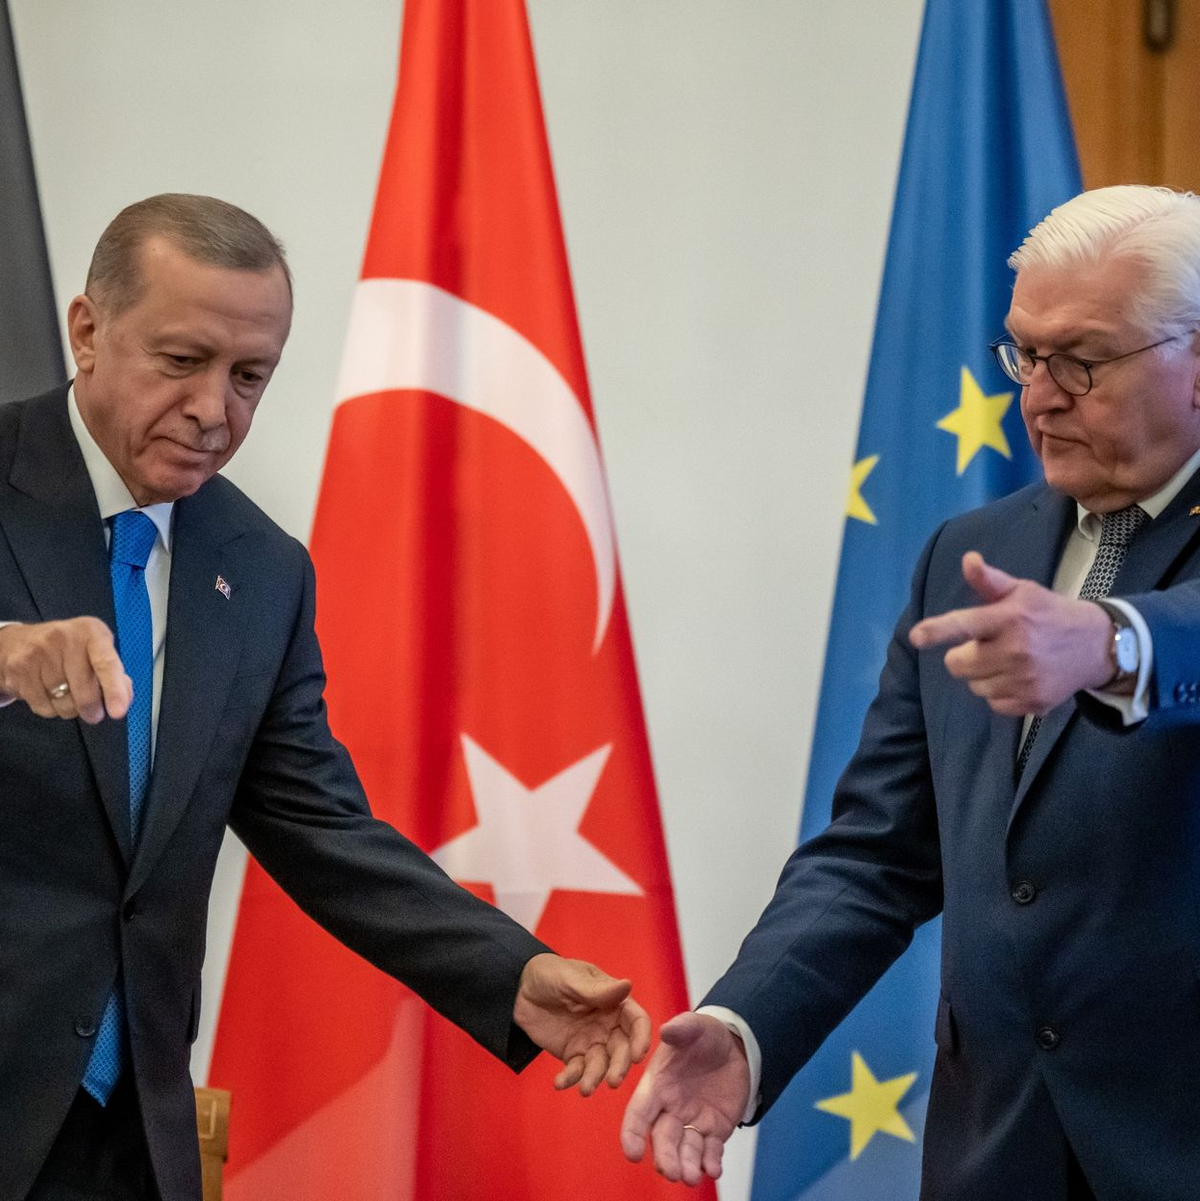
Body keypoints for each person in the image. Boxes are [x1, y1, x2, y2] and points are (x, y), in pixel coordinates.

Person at [0, 193, 650, 1201]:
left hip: (124, 1138)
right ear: (87, 329)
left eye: (249, 376)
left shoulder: (259, 568)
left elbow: (322, 828)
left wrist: (510, 975)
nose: (217, 411)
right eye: (183, 361)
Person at [621, 184, 1200, 1200]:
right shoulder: (972, 553)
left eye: (1082, 360)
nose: (1039, 395)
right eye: (1024, 352)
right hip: (1001, 1154)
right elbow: (877, 855)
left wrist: (1112, 640)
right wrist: (746, 1025)